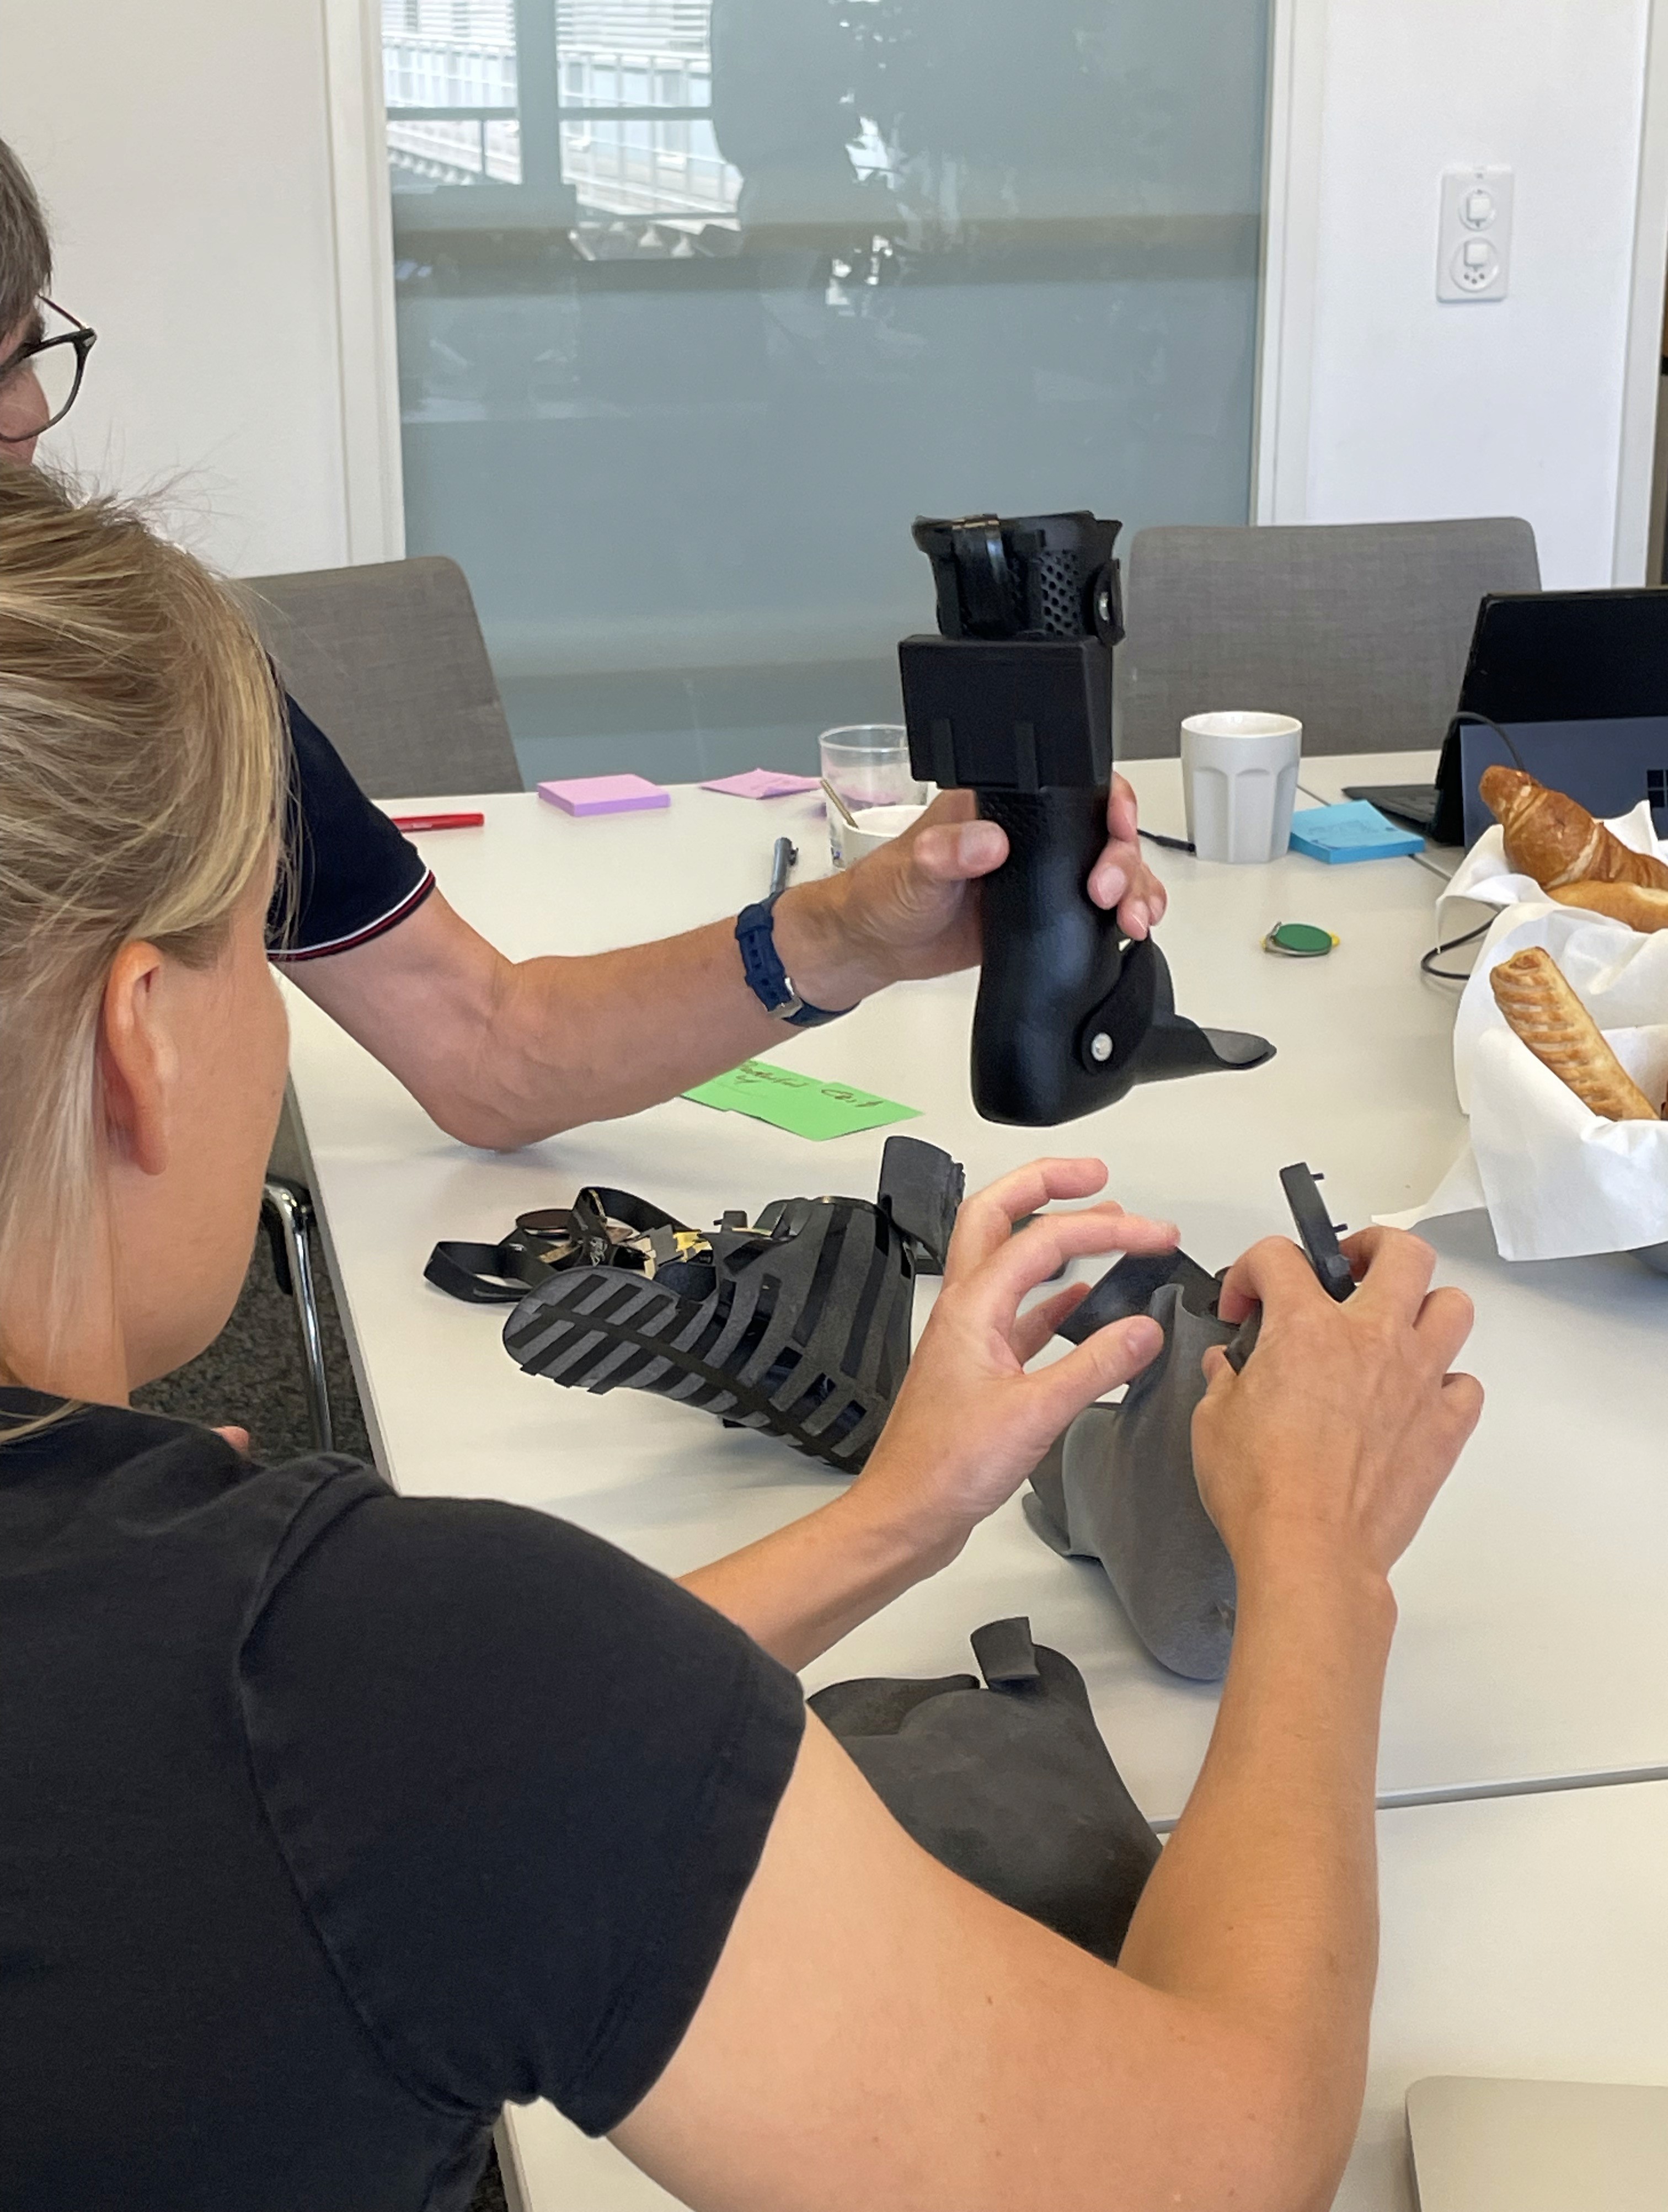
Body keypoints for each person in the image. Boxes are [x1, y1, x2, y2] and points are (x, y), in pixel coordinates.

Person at [0, 456, 1483, 2208]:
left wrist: (896, 1520)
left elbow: (465, 1757)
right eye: (260, 948)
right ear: (144, 1036)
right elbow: (1208, 2166)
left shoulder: (331, 1686)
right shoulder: (321, 1669)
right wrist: (1319, 1554)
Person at [0, 133, 1167, 1152]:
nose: (31, 412)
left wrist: (855, 930)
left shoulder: (136, 674)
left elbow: (484, 1047)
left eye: (28, 347)